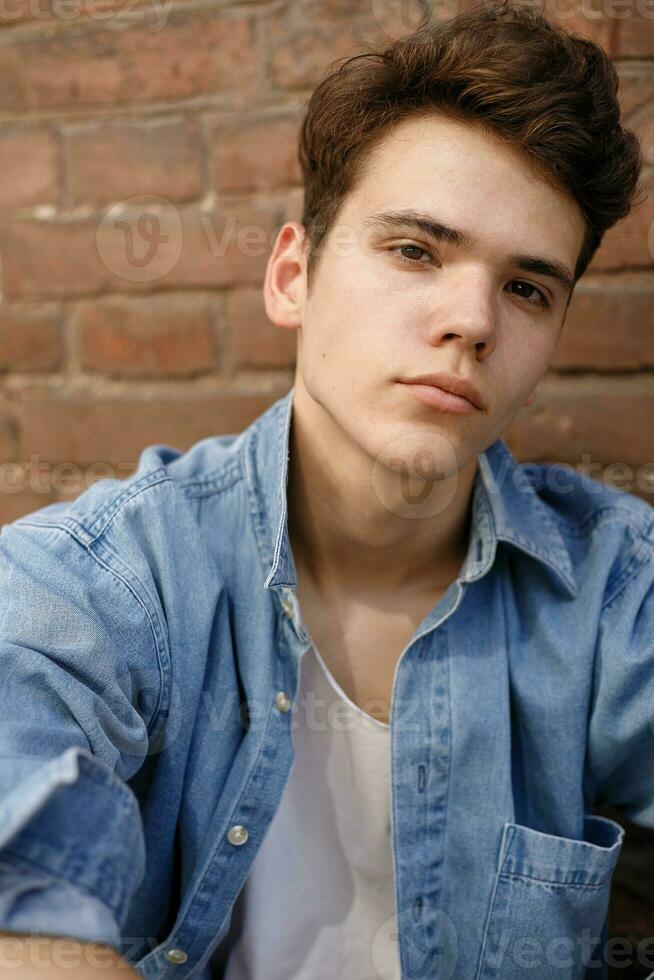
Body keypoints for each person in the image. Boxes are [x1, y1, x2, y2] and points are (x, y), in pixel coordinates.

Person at [0, 0, 651, 977]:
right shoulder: (114, 576)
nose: (471, 319)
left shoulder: (611, 587)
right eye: (415, 250)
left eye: (527, 287)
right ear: (292, 275)